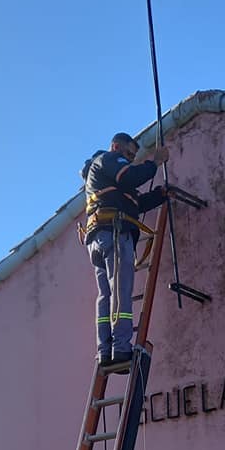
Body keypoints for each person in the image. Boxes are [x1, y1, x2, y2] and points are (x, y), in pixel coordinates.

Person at [80, 132, 169, 370]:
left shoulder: (106, 181)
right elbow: (130, 176)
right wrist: (154, 162)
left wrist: (158, 196)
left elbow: (135, 204)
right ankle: (120, 348)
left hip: (99, 236)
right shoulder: (108, 160)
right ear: (115, 146)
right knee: (120, 290)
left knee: (106, 295)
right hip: (114, 232)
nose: (130, 159)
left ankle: (105, 350)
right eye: (128, 154)